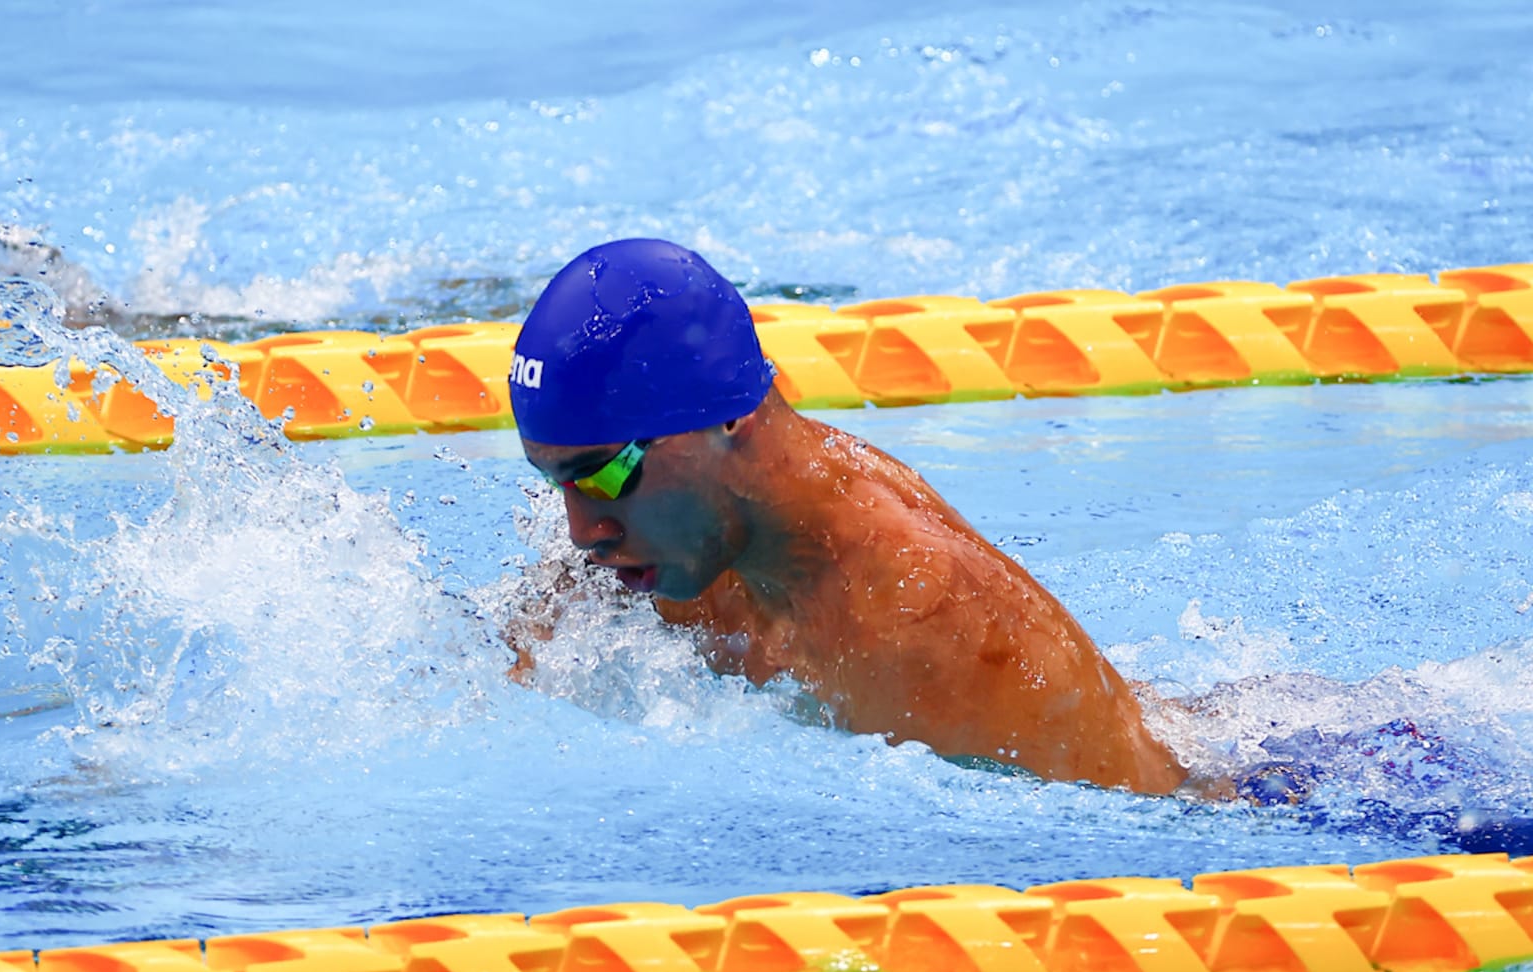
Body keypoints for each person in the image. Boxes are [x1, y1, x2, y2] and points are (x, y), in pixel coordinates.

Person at [508, 237, 1186, 794]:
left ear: (729, 418)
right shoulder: (679, 536)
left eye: (603, 474)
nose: (582, 532)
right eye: (557, 485)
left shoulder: (927, 635)